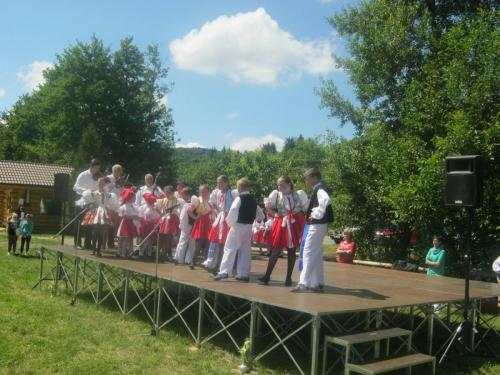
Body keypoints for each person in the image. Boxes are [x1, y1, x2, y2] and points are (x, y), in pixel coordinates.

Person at [259, 176, 308, 286]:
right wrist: (275, 214)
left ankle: (288, 278)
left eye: (282, 185)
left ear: (289, 184)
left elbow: (305, 208)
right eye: (279, 185)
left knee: (291, 251)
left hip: (294, 223)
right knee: (276, 250)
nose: (279, 187)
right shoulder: (276, 194)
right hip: (282, 223)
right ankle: (267, 276)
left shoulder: (299, 194)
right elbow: (268, 207)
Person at [214, 178, 264, 282]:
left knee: (229, 248)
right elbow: (260, 214)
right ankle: (243, 274)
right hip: (248, 227)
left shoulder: (239, 199)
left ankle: (224, 272)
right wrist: (256, 220)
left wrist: (229, 224)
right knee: (245, 251)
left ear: (240, 187)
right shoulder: (253, 199)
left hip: (238, 226)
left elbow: (233, 212)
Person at [293, 167, 333, 293]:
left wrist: (316, 214)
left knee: (308, 252)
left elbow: (325, 200)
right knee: (315, 253)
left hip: (317, 224)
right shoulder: (318, 189)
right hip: (319, 224)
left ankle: (303, 283)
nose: (307, 182)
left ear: (315, 177)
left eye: (307, 179)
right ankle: (317, 282)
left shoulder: (320, 189)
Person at [203, 175, 238, 273]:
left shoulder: (232, 193)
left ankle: (220, 266)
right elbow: (213, 204)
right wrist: (218, 212)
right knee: (214, 240)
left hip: (228, 220)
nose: (219, 184)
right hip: (220, 218)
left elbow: (237, 206)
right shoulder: (216, 193)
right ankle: (213, 262)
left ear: (227, 183)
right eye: (218, 182)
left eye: (221, 182)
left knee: (224, 243)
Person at [73, 159, 102, 249]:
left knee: (90, 223)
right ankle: (77, 243)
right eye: (96, 168)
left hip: (93, 203)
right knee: (79, 224)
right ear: (91, 167)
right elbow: (75, 187)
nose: (97, 170)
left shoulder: (99, 177)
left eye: (99, 168)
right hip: (82, 202)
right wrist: (87, 191)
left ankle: (88, 243)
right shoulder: (83, 175)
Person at [188, 184, 214, 269]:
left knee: (208, 244)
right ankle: (193, 262)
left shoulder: (210, 202)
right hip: (201, 224)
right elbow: (188, 210)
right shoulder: (198, 200)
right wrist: (195, 217)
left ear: (209, 192)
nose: (204, 194)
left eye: (206, 192)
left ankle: (205, 263)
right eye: (202, 192)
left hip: (209, 224)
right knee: (198, 244)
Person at [173, 187, 196, 265]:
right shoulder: (186, 203)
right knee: (184, 242)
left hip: (189, 225)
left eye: (183, 195)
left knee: (189, 242)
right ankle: (180, 258)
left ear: (187, 195)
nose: (182, 197)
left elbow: (189, 215)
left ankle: (184, 259)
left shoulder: (192, 204)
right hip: (185, 225)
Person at [157, 185, 180, 261]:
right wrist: (161, 213)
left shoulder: (175, 200)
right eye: (166, 192)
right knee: (163, 236)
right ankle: (162, 252)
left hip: (171, 219)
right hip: (164, 219)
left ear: (172, 193)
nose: (166, 194)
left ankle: (168, 253)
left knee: (169, 237)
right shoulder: (163, 200)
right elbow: (160, 208)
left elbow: (175, 210)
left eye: (168, 192)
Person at [116, 188, 139, 258]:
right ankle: (122, 253)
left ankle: (128, 253)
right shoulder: (124, 206)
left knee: (129, 239)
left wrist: (136, 217)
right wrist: (134, 216)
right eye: (133, 197)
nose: (135, 198)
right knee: (124, 238)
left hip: (131, 224)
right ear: (129, 198)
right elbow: (124, 216)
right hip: (125, 224)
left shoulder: (132, 206)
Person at [137, 192, 161, 258]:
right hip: (144, 225)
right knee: (144, 239)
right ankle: (141, 252)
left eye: (152, 201)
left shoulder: (154, 208)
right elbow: (140, 216)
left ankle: (149, 253)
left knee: (150, 239)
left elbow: (158, 216)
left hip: (151, 225)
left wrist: (155, 220)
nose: (151, 203)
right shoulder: (143, 207)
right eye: (149, 201)